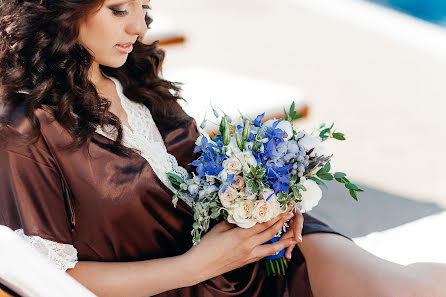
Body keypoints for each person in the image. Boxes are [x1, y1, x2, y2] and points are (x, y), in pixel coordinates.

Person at [0, 1, 444, 296]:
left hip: (265, 259)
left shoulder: (128, 74)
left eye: (144, 7)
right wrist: (199, 264)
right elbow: (53, 281)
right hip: (182, 285)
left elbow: (199, 167)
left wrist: (272, 201)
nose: (138, 26)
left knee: (418, 287)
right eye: (119, 9)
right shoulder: (24, 129)